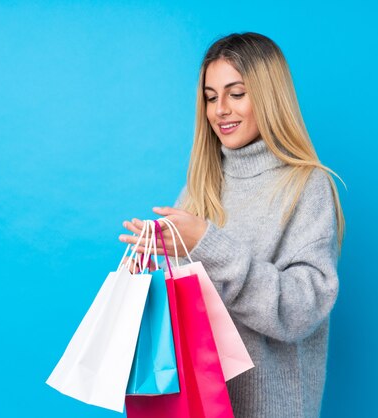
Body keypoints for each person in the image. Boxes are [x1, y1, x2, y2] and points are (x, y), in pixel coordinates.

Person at [119, 32, 345, 418]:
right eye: (210, 97)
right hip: (195, 407)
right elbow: (183, 312)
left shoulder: (307, 186)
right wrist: (155, 259)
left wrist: (208, 245)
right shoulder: (200, 187)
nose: (220, 109)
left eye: (236, 93)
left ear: (269, 96)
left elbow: (301, 311)